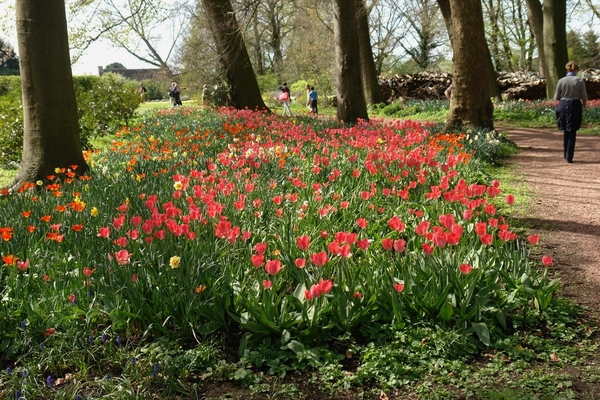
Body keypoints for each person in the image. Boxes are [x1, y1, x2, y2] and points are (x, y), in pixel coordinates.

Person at [554, 61, 588, 163]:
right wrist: (584, 105)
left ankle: (565, 154)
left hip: (563, 105)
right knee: (572, 131)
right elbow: (584, 96)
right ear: (576, 70)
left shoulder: (561, 80)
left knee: (565, 130)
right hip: (575, 105)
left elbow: (556, 97)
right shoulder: (579, 80)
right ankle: (569, 156)